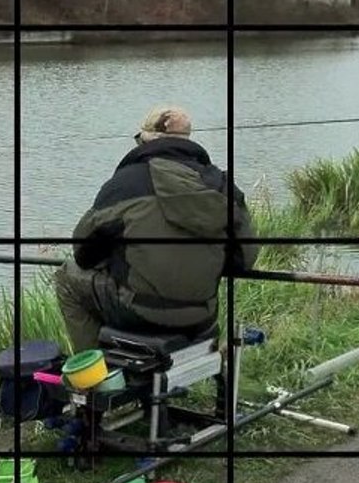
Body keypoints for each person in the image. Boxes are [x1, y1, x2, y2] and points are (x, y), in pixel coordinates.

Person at [55, 107, 259, 353]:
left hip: (138, 314)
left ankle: (93, 377)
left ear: (146, 141)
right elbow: (244, 259)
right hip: (202, 316)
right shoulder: (225, 187)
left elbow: (83, 252)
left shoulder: (122, 185)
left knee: (67, 277)